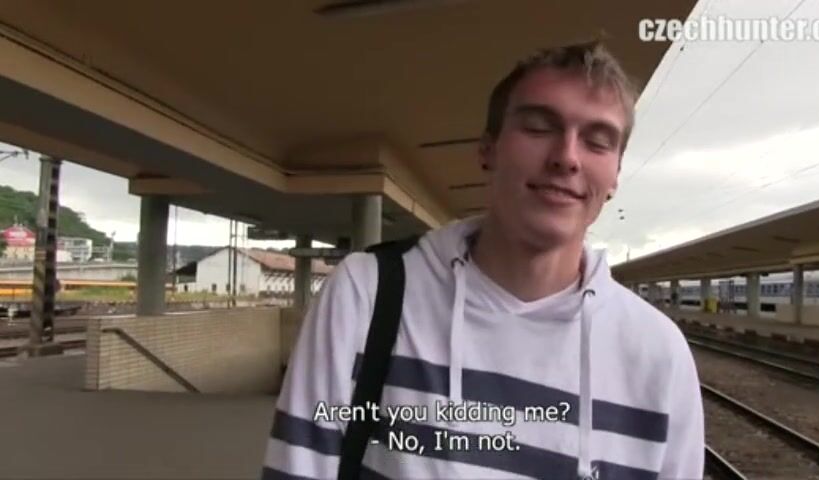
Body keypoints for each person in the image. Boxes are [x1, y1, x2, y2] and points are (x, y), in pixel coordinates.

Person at [262, 41, 704, 480]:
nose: (567, 157)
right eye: (538, 128)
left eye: (597, 141)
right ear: (487, 149)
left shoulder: (659, 355)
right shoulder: (366, 295)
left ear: (615, 176)